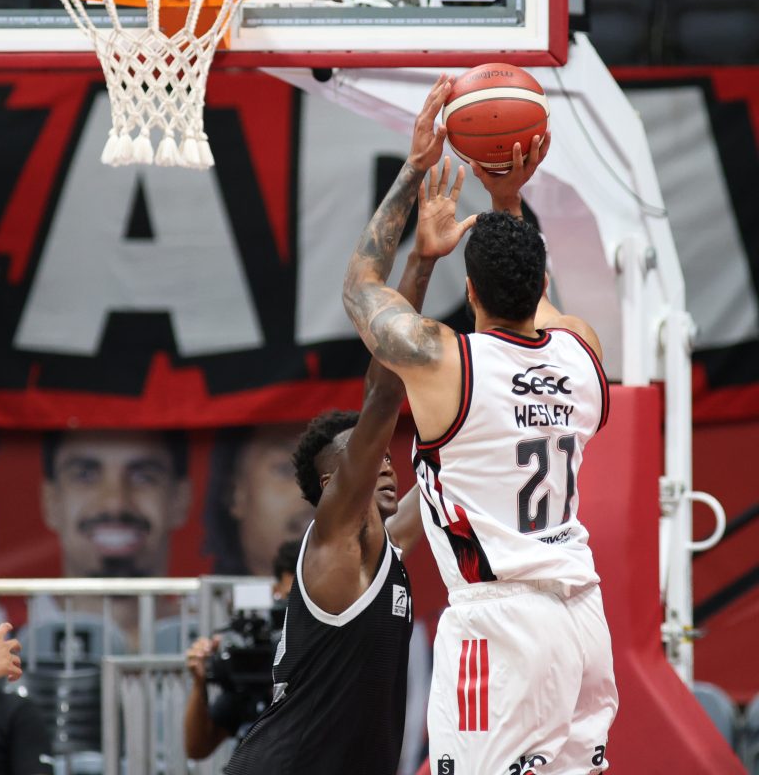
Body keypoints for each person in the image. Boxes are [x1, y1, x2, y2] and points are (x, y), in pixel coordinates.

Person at [343, 75, 618, 775]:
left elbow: (360, 288)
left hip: (500, 624)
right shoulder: (580, 349)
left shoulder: (447, 364)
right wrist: (507, 200)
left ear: (468, 293)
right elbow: (533, 292)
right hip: (581, 617)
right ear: (541, 285)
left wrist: (414, 172)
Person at [224, 116, 477, 775]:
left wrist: (438, 265)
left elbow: (449, 472)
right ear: (331, 485)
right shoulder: (335, 537)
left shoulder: (382, 548)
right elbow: (384, 392)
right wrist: (417, 207)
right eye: (368, 459)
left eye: (387, 459)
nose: (386, 465)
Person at [38, 429, 191, 648]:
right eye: (85, 476)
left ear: (180, 499)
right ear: (51, 501)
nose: (115, 504)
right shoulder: (0, 639)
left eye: (143, 477)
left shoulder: (217, 640)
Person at [183, 538, 303, 761]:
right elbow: (198, 748)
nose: (295, 611)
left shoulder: (334, 658)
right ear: (275, 592)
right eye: (289, 599)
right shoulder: (257, 659)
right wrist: (200, 684)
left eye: (305, 602)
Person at [203, 425, 314, 577]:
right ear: (235, 493)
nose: (316, 489)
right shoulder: (198, 591)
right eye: (286, 469)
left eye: (332, 469)